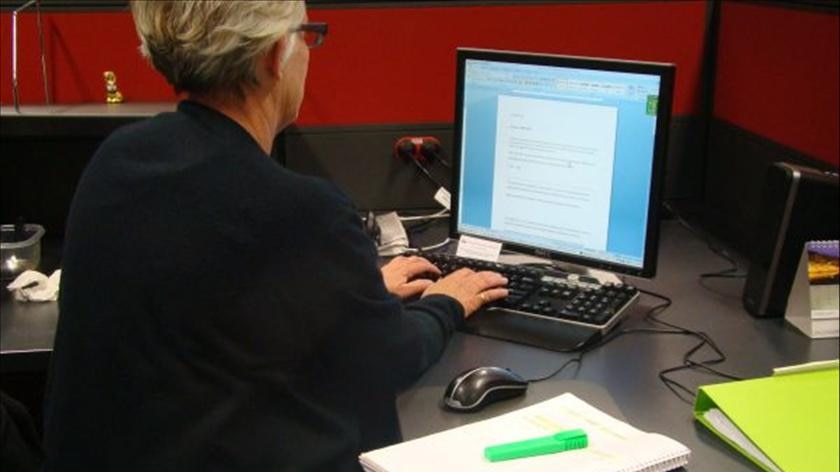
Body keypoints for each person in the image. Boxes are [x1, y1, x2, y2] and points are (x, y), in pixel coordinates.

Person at [42, 2, 508, 471]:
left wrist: (354, 293)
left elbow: (211, 300)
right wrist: (447, 301)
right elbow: (388, 359)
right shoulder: (298, 210)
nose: (308, 50)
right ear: (273, 55)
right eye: (305, 34)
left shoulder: (118, 161)